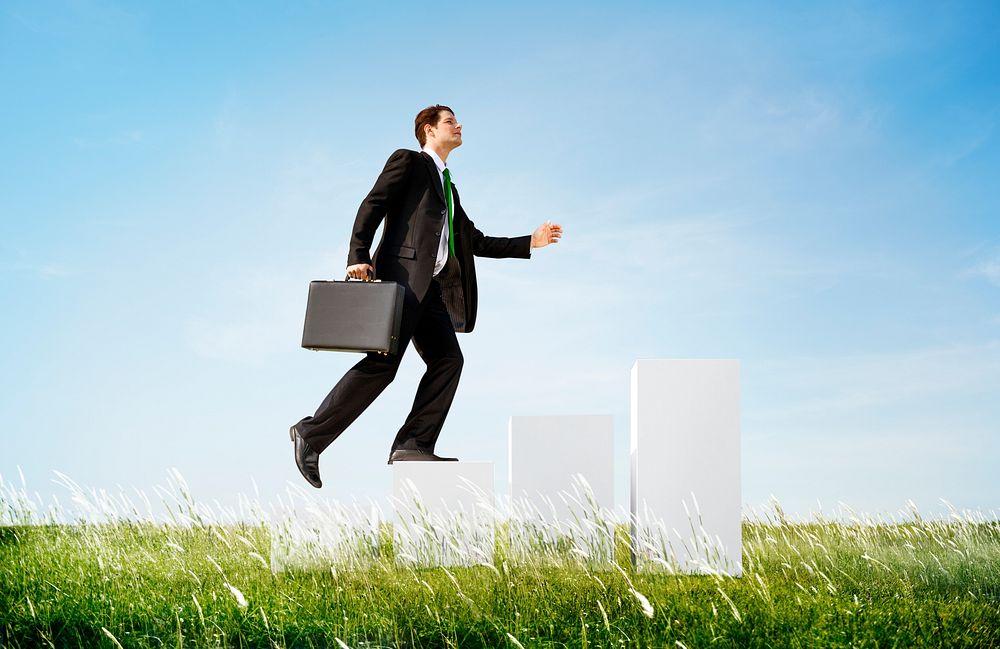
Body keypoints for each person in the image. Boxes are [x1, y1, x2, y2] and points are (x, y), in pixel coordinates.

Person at [289, 105, 563, 488]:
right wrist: (358, 256)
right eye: (451, 121)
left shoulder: (448, 189)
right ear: (429, 131)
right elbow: (373, 204)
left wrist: (528, 242)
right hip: (400, 281)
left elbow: (472, 240)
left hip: (430, 291)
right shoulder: (409, 163)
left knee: (448, 360)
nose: (459, 125)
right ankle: (312, 434)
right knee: (384, 366)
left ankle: (413, 443)